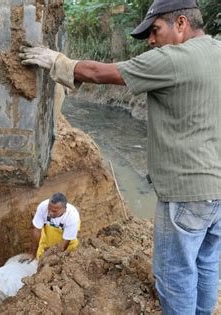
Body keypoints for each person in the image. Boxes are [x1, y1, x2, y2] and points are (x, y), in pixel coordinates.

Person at [20, 0, 221, 314]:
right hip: (217, 192)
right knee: (206, 262)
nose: (152, 41)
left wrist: (56, 60)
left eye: (155, 31)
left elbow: (101, 74)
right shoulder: (217, 51)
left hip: (186, 192)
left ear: (181, 23)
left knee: (174, 274)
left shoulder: (173, 59)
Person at [28, 192, 80, 260]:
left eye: (54, 211)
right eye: (49, 209)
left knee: (64, 259)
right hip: (49, 236)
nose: (50, 213)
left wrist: (48, 258)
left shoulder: (72, 216)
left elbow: (64, 244)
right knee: (40, 257)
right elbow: (37, 230)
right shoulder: (43, 207)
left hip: (65, 239)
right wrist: (32, 253)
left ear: (64, 209)